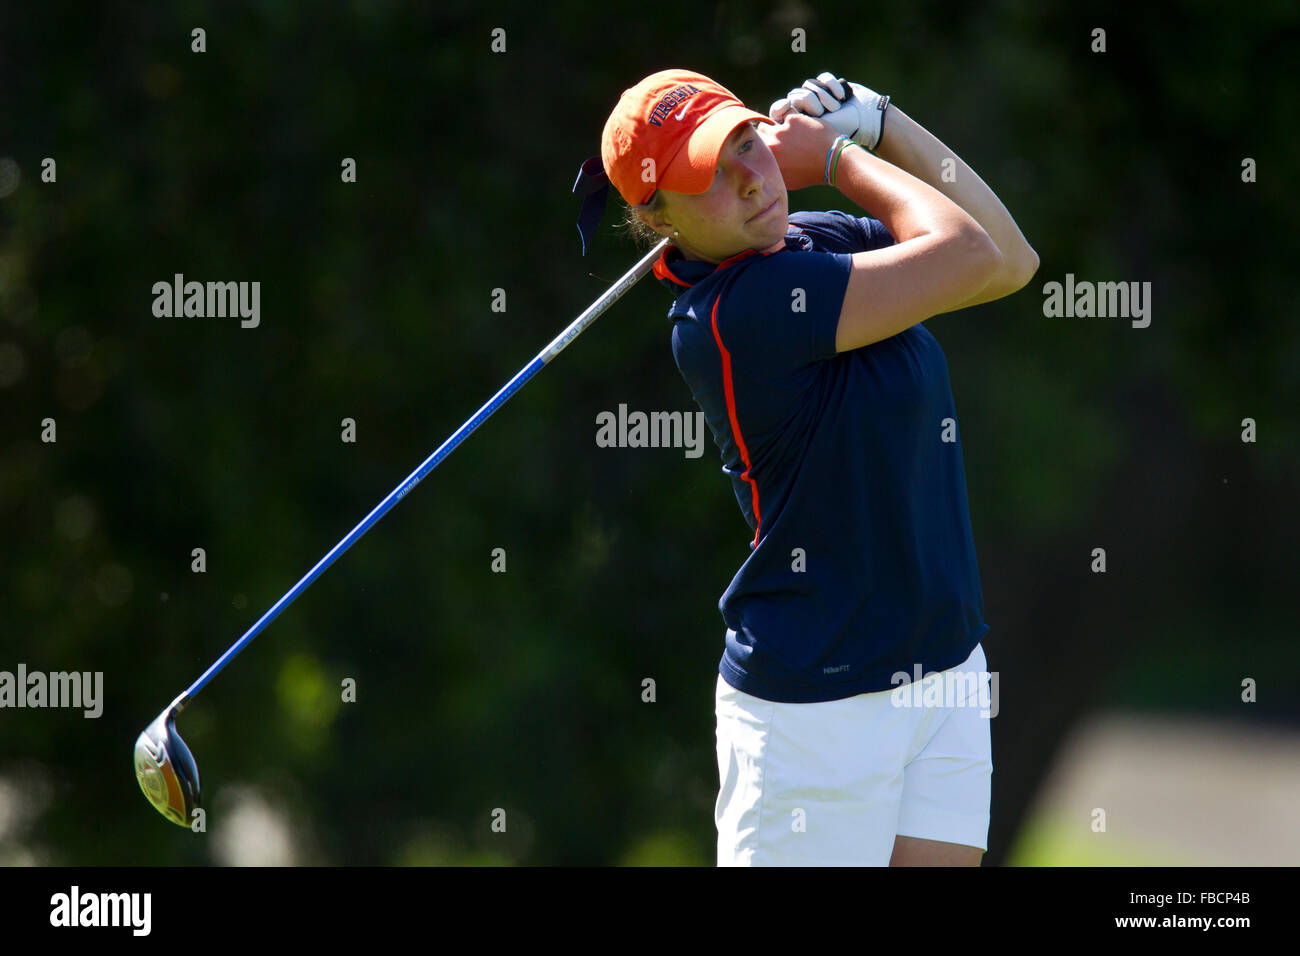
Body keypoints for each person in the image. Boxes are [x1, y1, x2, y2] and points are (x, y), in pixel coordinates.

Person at [597, 69, 1038, 866]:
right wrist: (840, 155)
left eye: (742, 142)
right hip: (816, 713)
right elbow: (967, 254)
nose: (748, 176)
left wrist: (884, 120)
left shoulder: (816, 241)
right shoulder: (732, 316)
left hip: (941, 669)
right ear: (658, 218)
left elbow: (1010, 258)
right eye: (710, 175)